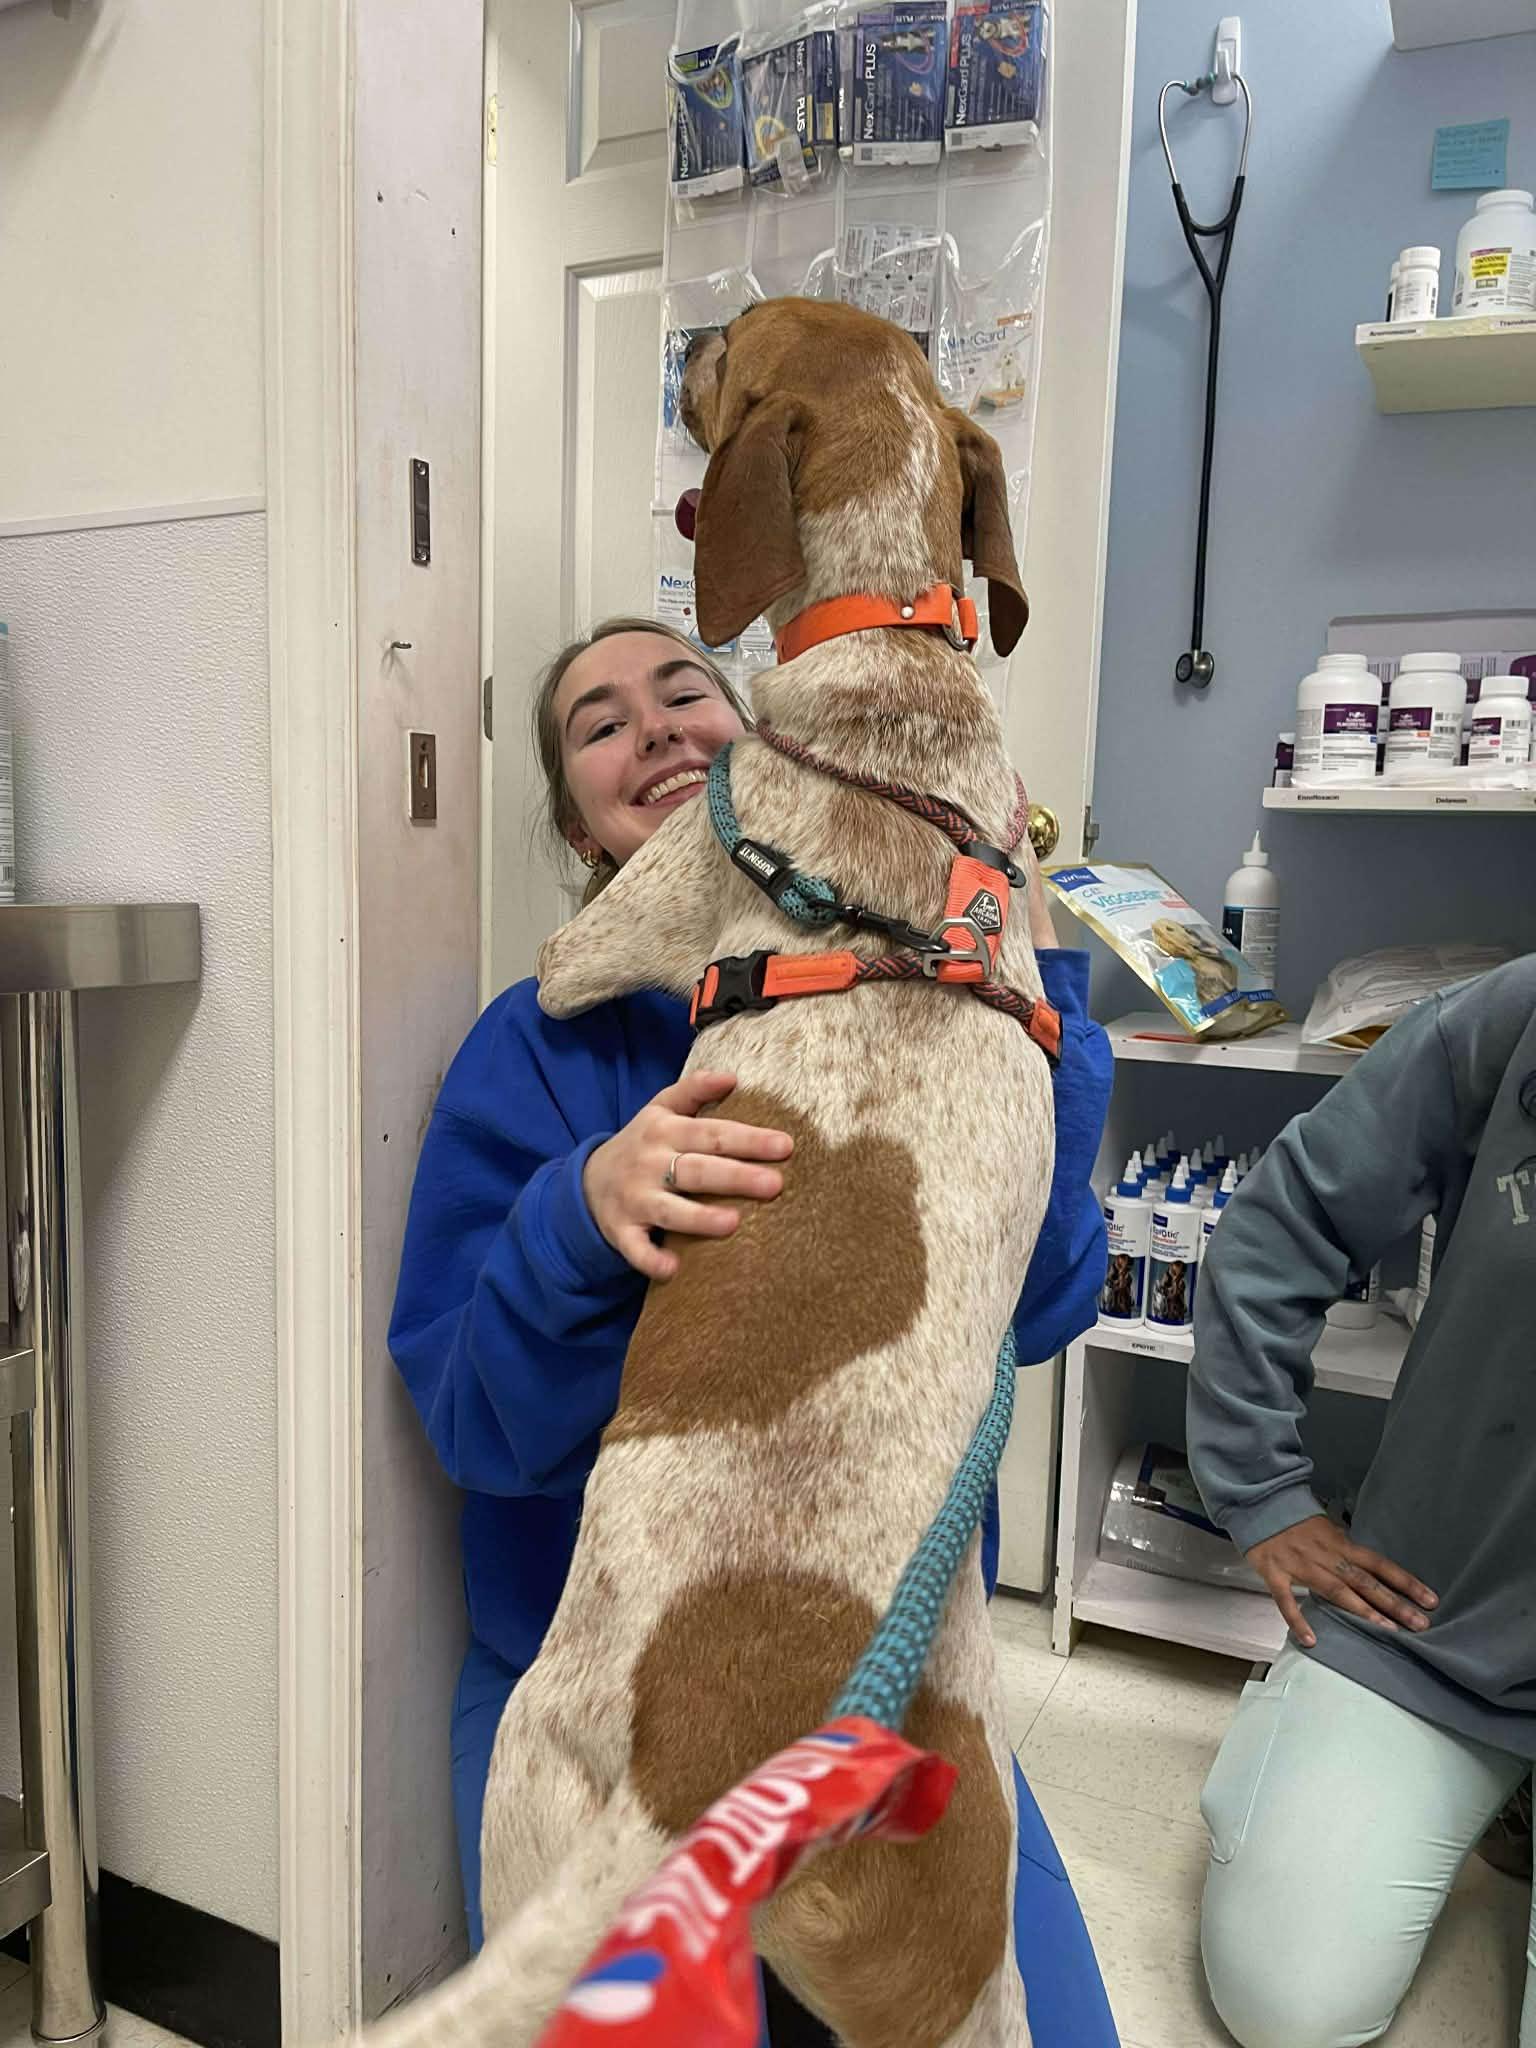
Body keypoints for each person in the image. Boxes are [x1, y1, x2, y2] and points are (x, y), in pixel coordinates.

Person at [390, 616, 1120, 2046]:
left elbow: (1045, 1302)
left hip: (886, 1674)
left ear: (771, 749)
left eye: (686, 693)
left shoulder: (931, 995)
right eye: (601, 723)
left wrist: (1034, 987)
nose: (656, 727)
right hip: (604, 1686)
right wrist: (581, 1213)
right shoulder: (529, 1049)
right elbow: (475, 1425)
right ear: (576, 826)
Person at [1188, 954, 1536, 2048]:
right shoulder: (1513, 1017)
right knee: (1286, 1998)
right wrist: (1262, 1488)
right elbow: (1284, 1216)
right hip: (1439, 1618)